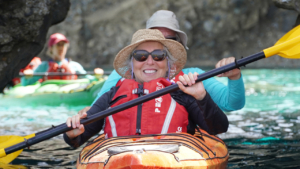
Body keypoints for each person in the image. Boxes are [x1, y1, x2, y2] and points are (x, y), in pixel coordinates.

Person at [64, 29, 228, 148]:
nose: (150, 62)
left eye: (158, 56)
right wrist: (71, 134)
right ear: (132, 65)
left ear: (167, 65)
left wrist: (201, 97)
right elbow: (78, 139)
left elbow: (218, 128)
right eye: (141, 56)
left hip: (171, 160)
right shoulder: (111, 97)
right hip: (122, 161)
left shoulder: (182, 94)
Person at [79, 10, 245, 115]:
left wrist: (234, 76)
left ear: (177, 45)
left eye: (169, 40)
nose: (161, 44)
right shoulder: (122, 76)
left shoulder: (193, 76)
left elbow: (232, 104)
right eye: (155, 38)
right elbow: (95, 110)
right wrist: (83, 118)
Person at [21, 33, 103, 86]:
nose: (61, 48)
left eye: (63, 45)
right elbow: (25, 83)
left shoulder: (74, 66)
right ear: (51, 48)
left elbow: (89, 78)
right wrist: (27, 77)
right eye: (58, 45)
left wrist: (97, 75)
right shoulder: (43, 66)